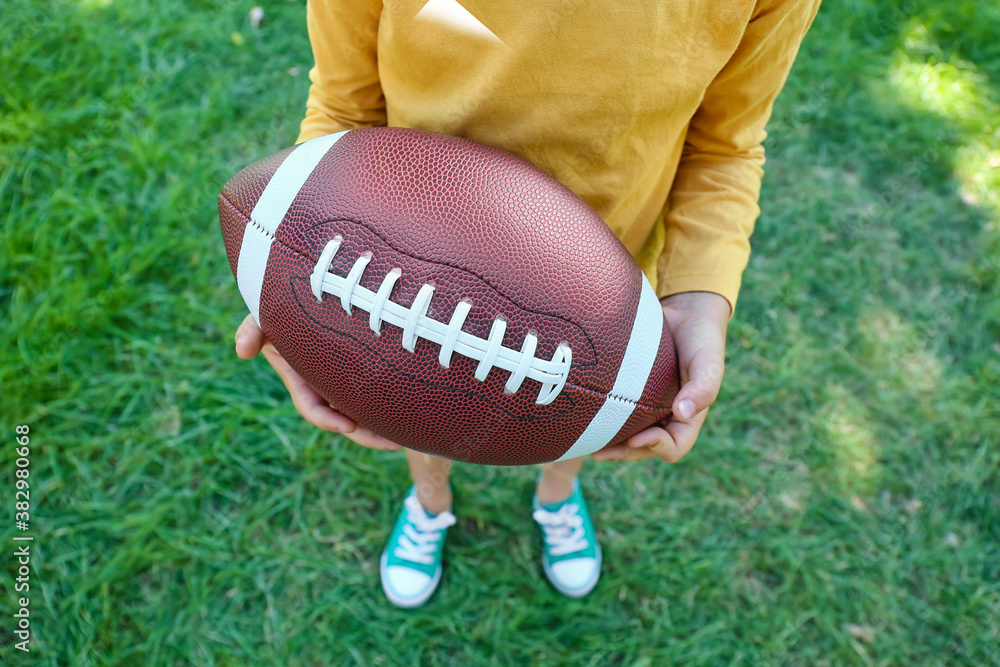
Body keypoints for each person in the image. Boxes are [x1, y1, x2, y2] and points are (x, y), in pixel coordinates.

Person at [235, 0, 821, 607]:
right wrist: (296, 265)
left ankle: (558, 493)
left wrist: (699, 293)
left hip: (605, 280)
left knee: (580, 400)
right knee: (419, 394)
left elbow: (725, 146)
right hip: (409, 266)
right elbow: (344, 106)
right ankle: (431, 502)